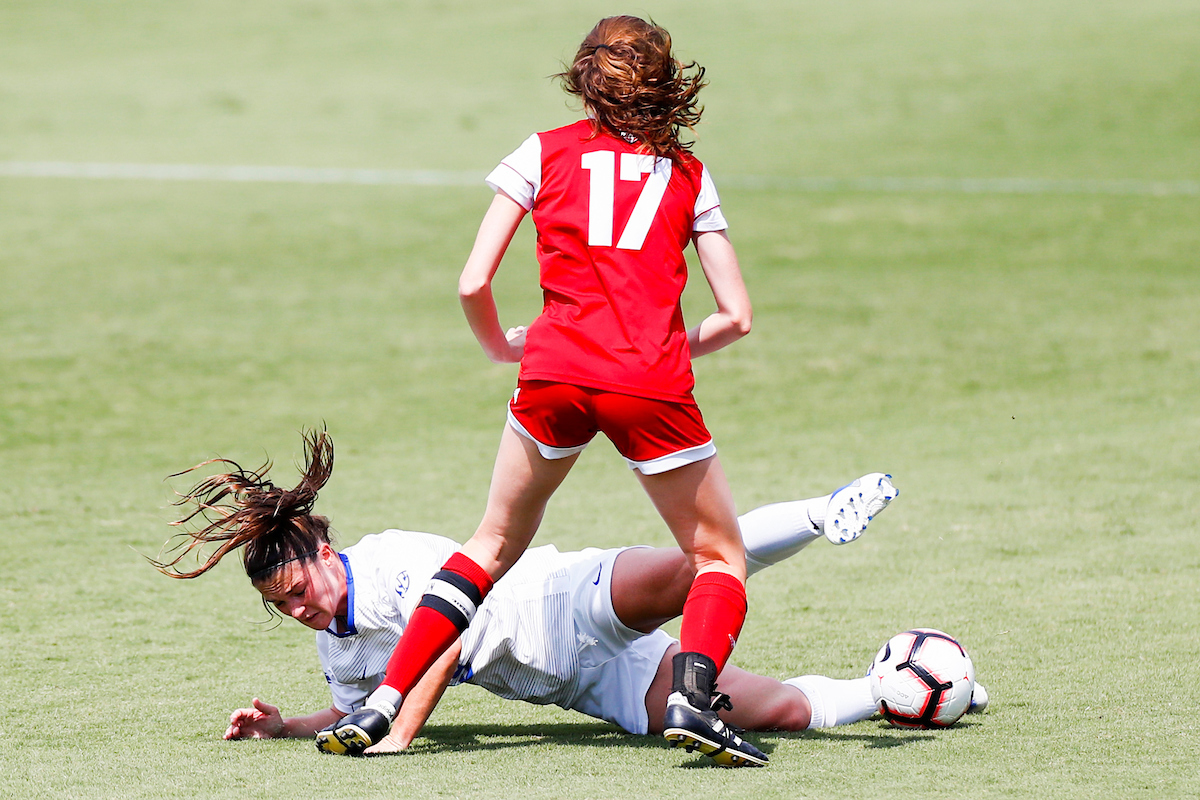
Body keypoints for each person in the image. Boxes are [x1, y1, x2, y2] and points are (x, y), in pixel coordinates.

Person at [333, 15, 804, 766]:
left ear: (584, 75)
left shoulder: (541, 151)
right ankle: (693, 695)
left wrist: (500, 347)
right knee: (717, 555)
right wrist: (658, 350)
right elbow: (737, 317)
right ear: (662, 80)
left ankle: (385, 699)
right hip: (650, 383)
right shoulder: (688, 174)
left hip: (550, 374)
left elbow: (472, 281)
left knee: (488, 545)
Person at [154, 430, 912, 763]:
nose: (299, 610)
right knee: (781, 712)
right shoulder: (335, 643)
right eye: (281, 608)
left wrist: (398, 737)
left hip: (560, 597)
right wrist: (286, 726)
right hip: (585, 683)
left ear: (324, 551)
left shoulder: (384, 562)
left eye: (297, 590)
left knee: (689, 570)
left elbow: (442, 643)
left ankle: (819, 513)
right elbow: (355, 708)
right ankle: (897, 688)